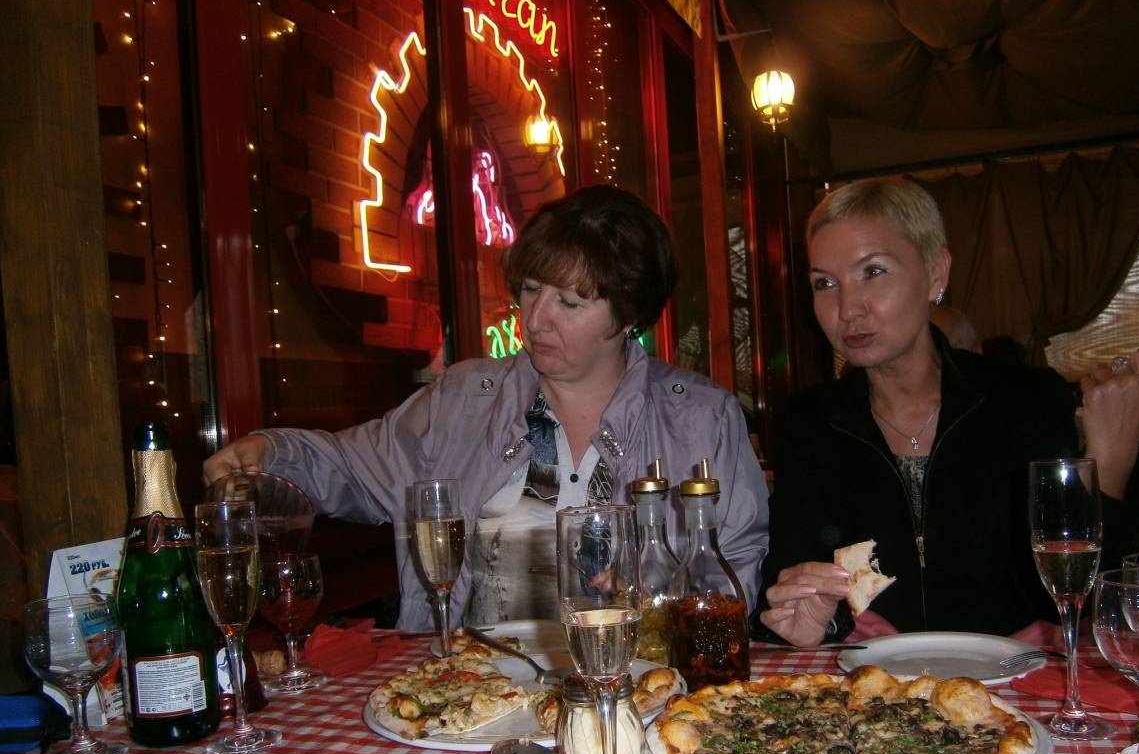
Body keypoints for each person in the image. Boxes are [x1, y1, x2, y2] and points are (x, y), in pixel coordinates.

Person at [204, 185, 769, 631]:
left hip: (641, 695)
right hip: (476, 702)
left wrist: (660, 607)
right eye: (530, 290)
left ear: (629, 316)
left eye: (569, 302)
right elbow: (353, 466)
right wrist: (271, 453)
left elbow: (736, 567)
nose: (536, 319)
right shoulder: (463, 402)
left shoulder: (703, 419)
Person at [757, 176, 1139, 646]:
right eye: (825, 283)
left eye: (873, 271)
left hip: (1017, 674)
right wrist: (820, 621)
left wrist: (1112, 459)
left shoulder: (1027, 400)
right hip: (873, 680)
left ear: (936, 273)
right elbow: (786, 584)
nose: (848, 308)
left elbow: (1092, 599)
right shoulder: (808, 421)